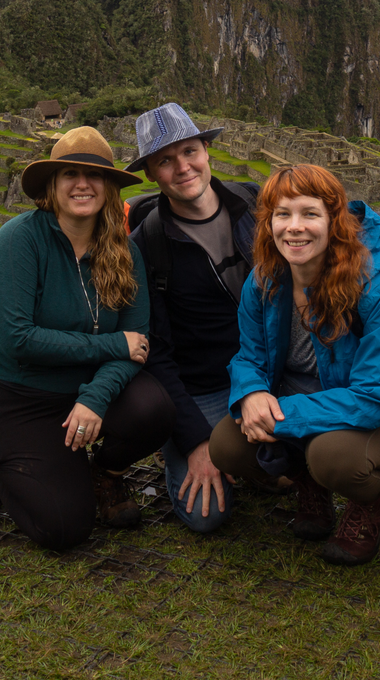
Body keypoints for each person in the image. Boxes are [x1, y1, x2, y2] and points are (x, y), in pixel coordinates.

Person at [209, 164, 380, 565]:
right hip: (300, 396)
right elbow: (249, 355)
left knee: (332, 455)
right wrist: (251, 392)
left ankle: (370, 504)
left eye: (309, 214)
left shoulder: (375, 293)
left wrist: (280, 415)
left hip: (378, 412)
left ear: (334, 221)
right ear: (268, 223)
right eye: (282, 214)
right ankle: (306, 482)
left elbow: (379, 395)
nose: (295, 227)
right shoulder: (264, 281)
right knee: (226, 444)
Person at [0, 126, 176, 551]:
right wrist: (113, 345)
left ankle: (104, 474)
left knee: (154, 410)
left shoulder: (125, 253)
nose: (83, 184)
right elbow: (20, 339)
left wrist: (95, 397)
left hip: (88, 393)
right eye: (69, 175)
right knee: (63, 530)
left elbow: (139, 340)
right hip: (19, 396)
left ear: (110, 187)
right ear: (52, 186)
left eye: (95, 175)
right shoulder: (20, 239)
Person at [124, 103, 258, 533]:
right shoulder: (146, 246)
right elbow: (156, 354)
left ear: (206, 150)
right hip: (203, 388)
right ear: (150, 173)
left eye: (189, 152)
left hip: (269, 375)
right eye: (165, 160)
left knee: (288, 465)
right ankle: (187, 447)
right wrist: (197, 439)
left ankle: (266, 461)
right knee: (206, 516)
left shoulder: (256, 206)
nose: (183, 167)